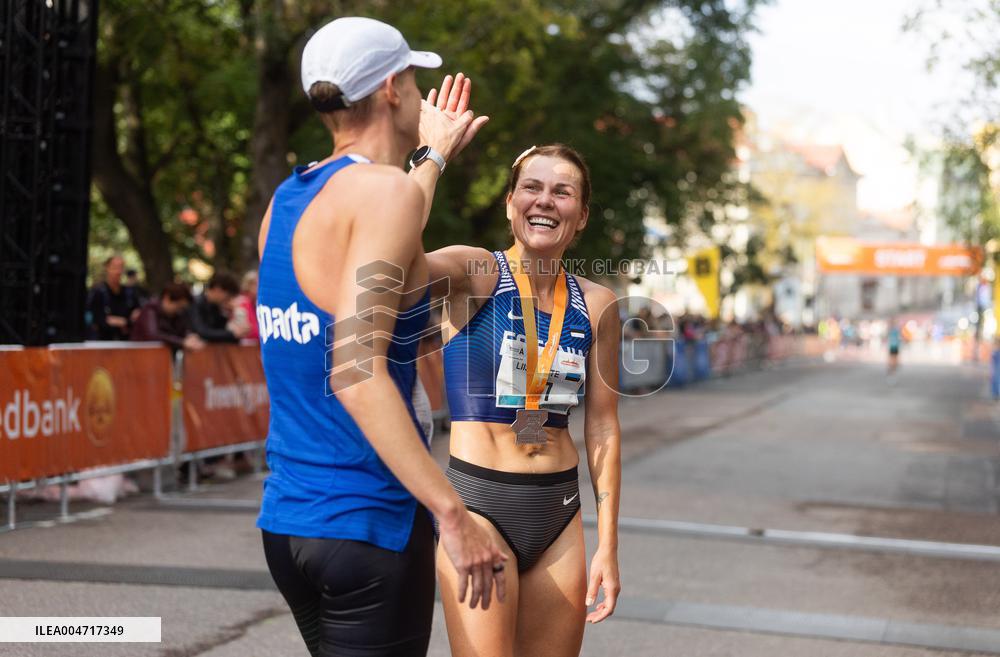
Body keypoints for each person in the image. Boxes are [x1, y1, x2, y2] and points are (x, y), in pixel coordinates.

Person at [254, 17, 504, 657]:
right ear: (392, 88)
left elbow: (391, 251)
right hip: (368, 524)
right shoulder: (383, 193)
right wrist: (453, 514)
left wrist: (433, 158)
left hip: (289, 524)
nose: (419, 95)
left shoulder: (289, 199)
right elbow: (355, 372)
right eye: (414, 80)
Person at [417, 138, 622, 657]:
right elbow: (397, 260)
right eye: (531, 187)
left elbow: (602, 426)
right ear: (510, 203)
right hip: (479, 505)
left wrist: (608, 543)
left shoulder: (598, 304)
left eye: (563, 192)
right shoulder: (474, 273)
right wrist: (431, 159)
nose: (545, 200)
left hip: (559, 512)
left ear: (581, 216)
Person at [131, 282, 205, 354]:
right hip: (142, 356)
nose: (179, 310)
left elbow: (182, 330)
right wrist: (182, 342)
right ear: (167, 298)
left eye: (182, 308)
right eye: (178, 306)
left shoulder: (176, 315)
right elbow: (152, 335)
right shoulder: (150, 310)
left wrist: (189, 336)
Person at [86, 255, 140, 340]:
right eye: (115, 267)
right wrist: (110, 321)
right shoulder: (98, 292)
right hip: (102, 341)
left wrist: (123, 321)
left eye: (121, 267)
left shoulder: (129, 293)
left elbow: (135, 315)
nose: (118, 271)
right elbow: (94, 318)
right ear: (107, 268)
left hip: (125, 341)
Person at [189, 271, 244, 343]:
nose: (228, 301)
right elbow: (202, 331)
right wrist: (232, 334)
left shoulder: (216, 306)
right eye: (228, 297)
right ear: (218, 289)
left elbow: (220, 329)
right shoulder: (195, 304)